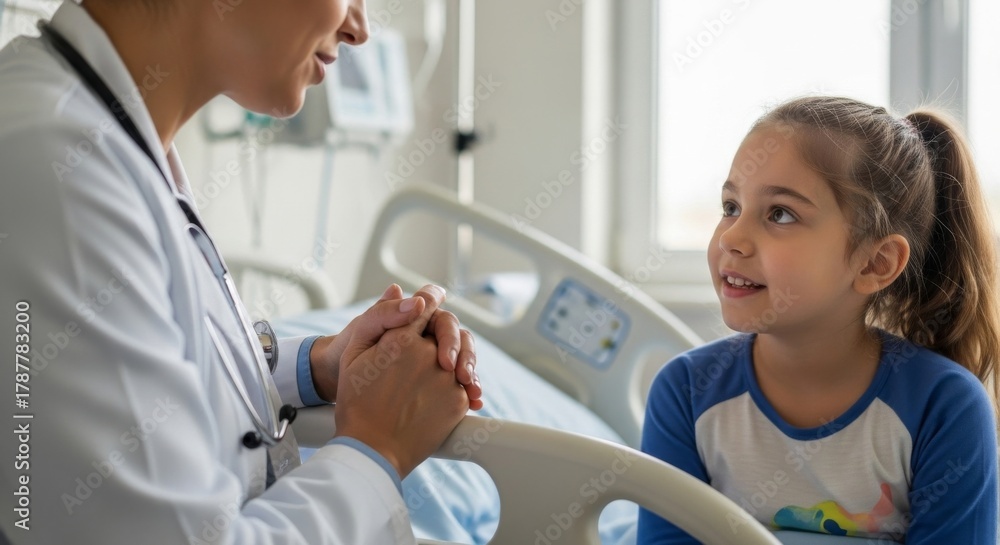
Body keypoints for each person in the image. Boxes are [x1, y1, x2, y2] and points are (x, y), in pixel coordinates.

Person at [0, 0, 484, 543]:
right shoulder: (58, 174)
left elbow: (152, 361)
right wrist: (376, 449)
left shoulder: (95, 133)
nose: (359, 29)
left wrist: (319, 363)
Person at [637, 96, 999, 544]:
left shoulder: (944, 407)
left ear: (875, 263)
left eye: (780, 214)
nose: (731, 237)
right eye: (731, 206)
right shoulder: (686, 394)